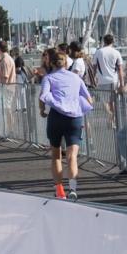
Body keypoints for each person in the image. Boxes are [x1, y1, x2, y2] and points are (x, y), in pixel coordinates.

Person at [39, 49, 93, 201]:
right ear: (66, 63)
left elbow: (42, 97)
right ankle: (73, 189)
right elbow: (89, 100)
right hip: (74, 118)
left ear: (51, 63)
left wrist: (42, 110)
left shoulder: (49, 78)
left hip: (56, 117)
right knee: (72, 156)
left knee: (56, 155)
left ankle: (59, 190)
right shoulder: (76, 78)